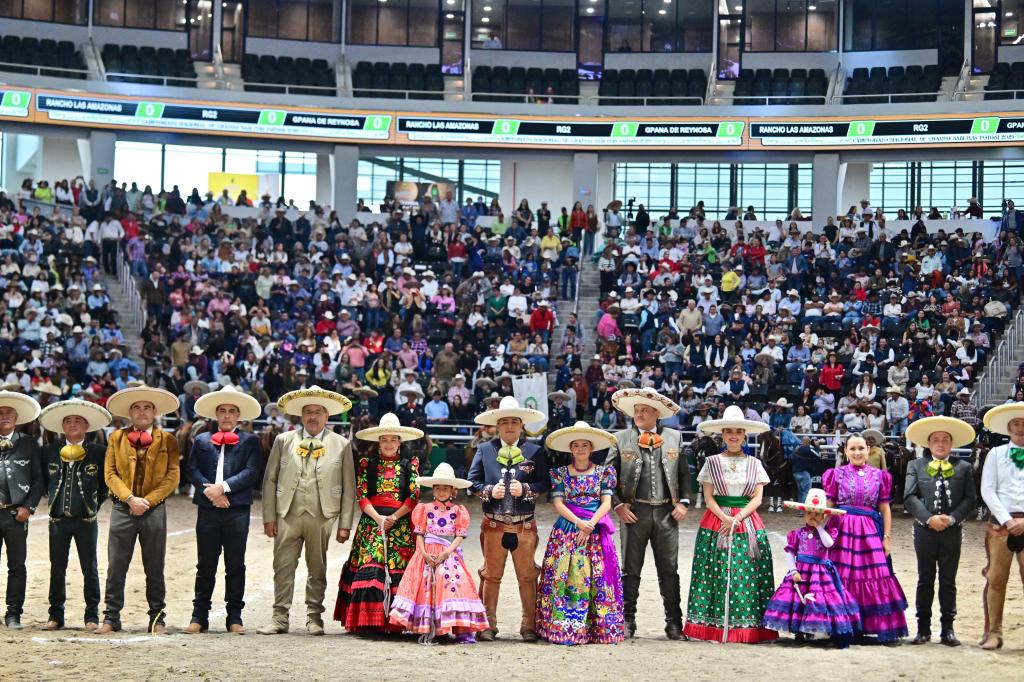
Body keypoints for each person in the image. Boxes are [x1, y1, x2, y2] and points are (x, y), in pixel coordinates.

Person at [260, 388, 356, 636]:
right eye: (308, 412)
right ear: (301, 416)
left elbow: (349, 486)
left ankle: (315, 618)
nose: (312, 417)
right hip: (287, 514)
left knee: (317, 568)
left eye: (318, 412)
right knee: (282, 566)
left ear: (327, 416)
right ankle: (279, 617)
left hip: (322, 515)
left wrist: (345, 523)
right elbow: (270, 480)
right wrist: (269, 517)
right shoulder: (283, 441)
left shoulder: (342, 444)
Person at [684, 405, 777, 643]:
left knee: (747, 571)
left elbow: (757, 497)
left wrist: (738, 517)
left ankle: (748, 628)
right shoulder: (712, 462)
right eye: (728, 431)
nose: (733, 436)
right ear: (723, 435)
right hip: (717, 520)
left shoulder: (754, 463)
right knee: (714, 571)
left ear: (744, 434)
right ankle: (712, 628)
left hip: (747, 520)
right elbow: (708, 498)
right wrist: (726, 518)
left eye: (738, 431)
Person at [605, 387, 690, 639]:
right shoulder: (620, 439)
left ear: (657, 413)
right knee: (630, 569)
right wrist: (618, 505)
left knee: (669, 569)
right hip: (634, 512)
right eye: (637, 410)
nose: (639, 414)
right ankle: (627, 620)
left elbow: (685, 473)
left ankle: (674, 622)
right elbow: (608, 478)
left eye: (644, 410)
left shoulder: (675, 437)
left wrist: (683, 502)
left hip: (666, 511)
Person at [98, 386, 181, 634]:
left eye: (146, 407)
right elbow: (110, 474)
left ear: (154, 412)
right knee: (116, 565)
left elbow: (172, 476)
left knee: (154, 565)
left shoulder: (168, 440)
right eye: (137, 407)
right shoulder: (116, 438)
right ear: (130, 413)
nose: (142, 412)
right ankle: (111, 617)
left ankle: (157, 618)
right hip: (122, 508)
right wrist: (130, 498)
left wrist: (148, 501)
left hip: (154, 510)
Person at [467, 396, 549, 642]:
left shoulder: (534, 451)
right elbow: (471, 482)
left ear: (521, 425)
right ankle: (487, 625)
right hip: (493, 524)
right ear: (497, 425)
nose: (510, 427)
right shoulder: (484, 449)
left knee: (527, 574)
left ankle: (529, 625)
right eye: (505, 422)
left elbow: (545, 483)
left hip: (525, 524)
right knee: (491, 574)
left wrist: (526, 490)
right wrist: (488, 491)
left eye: (515, 422)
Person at [185, 386, 263, 635]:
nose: (227, 415)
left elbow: (251, 472)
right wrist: (210, 492)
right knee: (205, 564)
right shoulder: (201, 440)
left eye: (232, 411)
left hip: (236, 509)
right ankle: (199, 615)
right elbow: (192, 469)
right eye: (222, 411)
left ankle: (234, 616)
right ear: (216, 415)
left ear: (238, 415)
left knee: (235, 563)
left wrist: (223, 488)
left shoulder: (251, 441)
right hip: (208, 508)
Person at [536, 421, 624, 645]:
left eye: (585, 445)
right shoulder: (559, 473)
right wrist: (578, 523)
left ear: (591, 448)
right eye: (577, 445)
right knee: (565, 575)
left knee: (597, 576)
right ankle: (566, 627)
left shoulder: (605, 472)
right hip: (568, 528)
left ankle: (598, 629)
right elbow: (558, 503)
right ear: (571, 449)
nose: (581, 449)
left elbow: (606, 502)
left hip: (594, 528)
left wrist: (590, 524)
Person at [335, 413, 421, 633]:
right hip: (372, 523)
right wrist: (379, 519)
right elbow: (361, 495)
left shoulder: (410, 464)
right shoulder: (367, 464)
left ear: (400, 442)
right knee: (371, 564)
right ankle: (368, 622)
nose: (389, 444)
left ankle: (395, 623)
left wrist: (393, 518)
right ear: (379, 442)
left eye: (393, 439)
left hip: (400, 524)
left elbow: (414, 495)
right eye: (384, 439)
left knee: (397, 569)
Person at [823, 433, 908, 644]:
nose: (857, 452)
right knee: (842, 576)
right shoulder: (836, 474)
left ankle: (871, 625)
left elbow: (885, 509)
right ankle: (843, 626)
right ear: (845, 451)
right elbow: (828, 507)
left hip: (869, 533)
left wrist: (887, 537)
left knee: (875, 576)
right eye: (852, 449)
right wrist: (819, 531)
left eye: (861, 448)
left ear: (868, 450)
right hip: (841, 532)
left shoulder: (880, 476)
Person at [388, 462, 488, 642]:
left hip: (447, 553)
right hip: (426, 553)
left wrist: (448, 552)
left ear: (453, 491)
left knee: (451, 586)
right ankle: (424, 626)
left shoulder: (458, 511)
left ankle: (450, 627)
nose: (441, 492)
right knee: (423, 587)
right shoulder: (424, 509)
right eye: (438, 488)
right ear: (433, 489)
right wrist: (423, 553)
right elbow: (419, 533)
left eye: (445, 488)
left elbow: (459, 535)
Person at [38, 399, 112, 631]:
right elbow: (43, 482)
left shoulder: (99, 452)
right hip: (58, 520)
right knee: (56, 567)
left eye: (78, 420)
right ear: (62, 426)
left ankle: (91, 615)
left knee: (89, 566)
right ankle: (55, 615)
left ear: (87, 426)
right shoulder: (49, 451)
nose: (72, 424)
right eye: (68, 421)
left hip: (86, 521)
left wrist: (92, 507)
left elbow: (104, 487)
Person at [903, 416, 977, 647]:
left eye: (945, 439)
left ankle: (948, 629)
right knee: (925, 579)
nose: (941, 443)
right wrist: (928, 518)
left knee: (948, 580)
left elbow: (970, 499)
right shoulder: (915, 465)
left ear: (952, 443)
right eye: (936, 439)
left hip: (952, 530)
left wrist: (953, 518)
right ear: (929, 443)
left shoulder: (963, 467)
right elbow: (909, 497)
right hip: (925, 530)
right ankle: (923, 629)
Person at [762, 489, 860, 648]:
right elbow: (790, 552)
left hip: (819, 573)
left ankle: (815, 629)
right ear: (804, 513)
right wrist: (793, 571)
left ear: (824, 516)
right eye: (809, 513)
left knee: (818, 599)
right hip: (801, 571)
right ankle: (799, 631)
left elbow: (828, 544)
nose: (812, 517)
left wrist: (819, 528)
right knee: (798, 599)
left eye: (817, 514)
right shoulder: (797, 534)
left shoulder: (828, 532)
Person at [978, 403, 1024, 650]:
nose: (1020, 428)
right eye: (1016, 423)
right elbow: (987, 489)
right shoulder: (995, 454)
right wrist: (1007, 519)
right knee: (996, 577)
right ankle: (994, 631)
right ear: (1008, 428)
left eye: (1023, 424)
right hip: (1001, 525)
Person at [0, 391, 42, 629]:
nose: (4, 416)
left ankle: (13, 613)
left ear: (16, 418)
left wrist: (29, 507)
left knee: (17, 565)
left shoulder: (28, 443)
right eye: (0, 413)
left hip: (16, 515)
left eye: (9, 413)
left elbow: (38, 480)